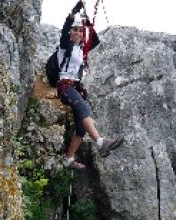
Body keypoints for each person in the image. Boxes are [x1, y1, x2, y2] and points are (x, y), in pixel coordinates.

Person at [57, 0, 123, 169]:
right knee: (85, 112)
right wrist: (78, 8)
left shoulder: (81, 49)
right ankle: (101, 143)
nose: (78, 33)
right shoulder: (66, 46)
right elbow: (66, 24)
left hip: (74, 88)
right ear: (70, 33)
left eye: (80, 31)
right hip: (65, 87)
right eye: (75, 30)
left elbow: (95, 40)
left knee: (81, 128)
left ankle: (69, 160)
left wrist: (88, 21)